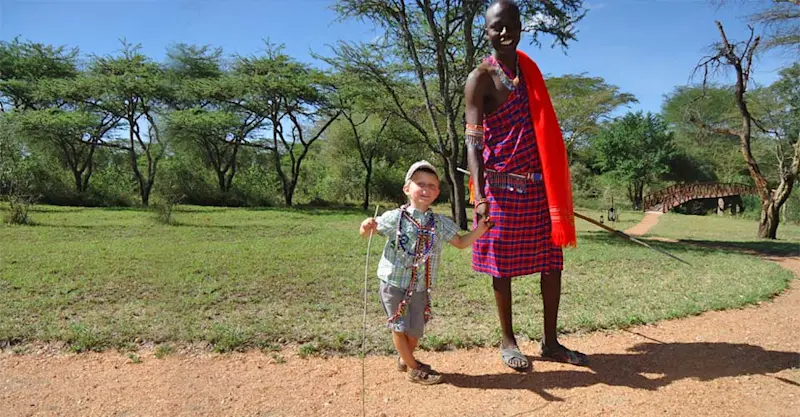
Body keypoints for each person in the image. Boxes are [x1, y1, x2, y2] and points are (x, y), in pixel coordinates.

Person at [463, 0, 588, 371]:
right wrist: (480, 195)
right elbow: (473, 140)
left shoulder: (530, 72)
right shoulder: (480, 78)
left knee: (552, 264)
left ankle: (550, 342)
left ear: (520, 27)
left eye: (510, 25)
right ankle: (508, 340)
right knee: (502, 269)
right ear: (485, 32)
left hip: (537, 188)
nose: (503, 32)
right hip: (499, 191)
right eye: (495, 27)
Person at [360, 160, 494, 385]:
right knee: (399, 327)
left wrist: (481, 230)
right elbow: (368, 233)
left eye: (432, 185)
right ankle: (414, 367)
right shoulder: (395, 218)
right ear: (407, 189)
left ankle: (405, 358)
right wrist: (366, 226)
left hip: (421, 285)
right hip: (393, 281)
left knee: (415, 330)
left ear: (438, 192)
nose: (426, 189)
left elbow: (460, 242)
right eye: (420, 184)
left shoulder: (440, 222)